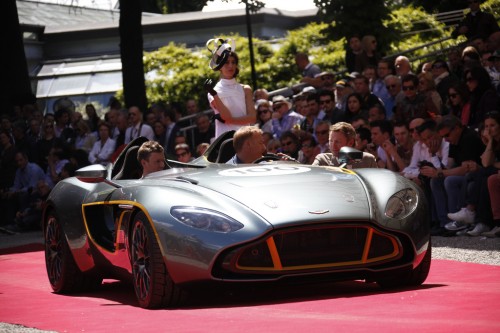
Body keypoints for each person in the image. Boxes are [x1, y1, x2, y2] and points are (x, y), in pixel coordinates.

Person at [428, 115, 485, 235]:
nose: (446, 139)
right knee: (435, 181)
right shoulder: (454, 140)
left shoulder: (468, 138)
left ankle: (458, 224)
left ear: (457, 128)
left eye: (447, 135)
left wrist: (440, 173)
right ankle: (444, 223)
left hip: (476, 175)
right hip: (465, 174)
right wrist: (434, 158)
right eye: (443, 137)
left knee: (450, 181)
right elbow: (449, 165)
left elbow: (466, 168)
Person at [205, 39, 256, 139]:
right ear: (219, 66)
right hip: (225, 140)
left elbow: (252, 118)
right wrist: (214, 94)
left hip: (245, 138)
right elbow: (226, 116)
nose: (231, 66)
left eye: (233, 62)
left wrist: (231, 120)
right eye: (226, 62)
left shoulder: (246, 89)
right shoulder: (214, 91)